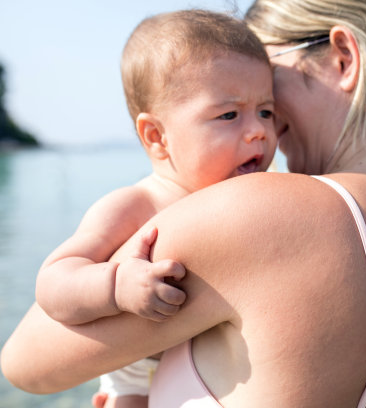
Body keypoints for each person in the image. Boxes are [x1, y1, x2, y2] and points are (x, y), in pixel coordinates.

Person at [1, 1, 366, 407]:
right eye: (230, 110)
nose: (263, 130)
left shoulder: (265, 214)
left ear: (343, 58)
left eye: (270, 92)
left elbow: (23, 363)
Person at [32, 9, 276, 408]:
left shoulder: (254, 195)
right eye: (229, 114)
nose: (259, 131)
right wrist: (116, 286)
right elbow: (53, 282)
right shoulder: (135, 205)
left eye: (266, 111)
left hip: (206, 362)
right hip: (135, 374)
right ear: (156, 136)